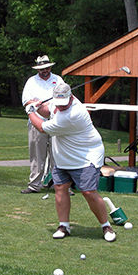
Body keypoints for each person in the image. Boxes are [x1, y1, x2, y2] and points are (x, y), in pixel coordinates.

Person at [24, 83, 116, 242]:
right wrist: (38, 106)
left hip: (86, 156)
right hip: (63, 156)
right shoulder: (57, 103)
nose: (60, 107)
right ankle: (63, 226)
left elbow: (41, 127)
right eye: (58, 104)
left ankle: (106, 226)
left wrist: (30, 112)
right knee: (60, 188)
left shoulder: (74, 114)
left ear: (71, 97)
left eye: (63, 104)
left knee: (88, 191)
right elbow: (47, 111)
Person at [21, 55, 64, 194]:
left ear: (50, 67)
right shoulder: (31, 81)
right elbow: (26, 101)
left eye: (46, 68)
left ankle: (59, 185)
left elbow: (65, 97)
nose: (44, 71)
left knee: (57, 155)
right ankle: (34, 185)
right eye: (41, 69)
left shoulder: (58, 80)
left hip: (56, 121)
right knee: (37, 156)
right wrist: (35, 104)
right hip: (36, 121)